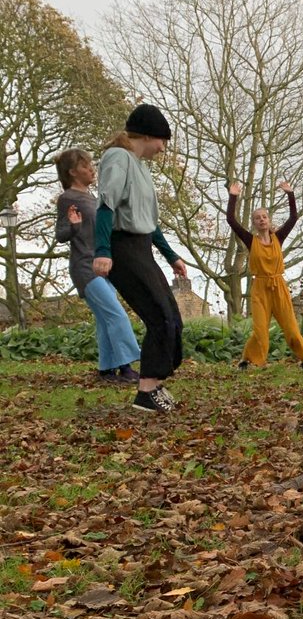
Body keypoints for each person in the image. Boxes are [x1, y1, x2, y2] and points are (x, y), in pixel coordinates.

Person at [93, 104, 187, 414]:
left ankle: (155, 384)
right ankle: (145, 392)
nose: (163, 148)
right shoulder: (117, 158)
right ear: (149, 135)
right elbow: (107, 206)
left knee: (171, 315)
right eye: (163, 140)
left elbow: (149, 221)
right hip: (122, 247)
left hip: (142, 246)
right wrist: (103, 252)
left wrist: (171, 255)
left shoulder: (140, 167)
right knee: (158, 314)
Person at [55, 149, 140, 385]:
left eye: (92, 164)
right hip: (84, 267)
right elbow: (60, 234)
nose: (92, 169)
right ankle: (127, 367)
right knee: (117, 315)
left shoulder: (94, 198)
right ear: (72, 172)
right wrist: (73, 226)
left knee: (105, 319)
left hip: (104, 267)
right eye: (86, 166)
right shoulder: (68, 198)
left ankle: (106, 370)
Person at [226, 180, 303, 370]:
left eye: (265, 217)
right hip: (260, 289)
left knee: (291, 329)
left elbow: (293, 217)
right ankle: (246, 360)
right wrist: (233, 196)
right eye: (258, 218)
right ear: (254, 223)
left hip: (279, 286)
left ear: (269, 220)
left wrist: (290, 194)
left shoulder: (278, 238)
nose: (262, 220)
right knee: (260, 331)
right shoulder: (250, 240)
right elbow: (231, 220)